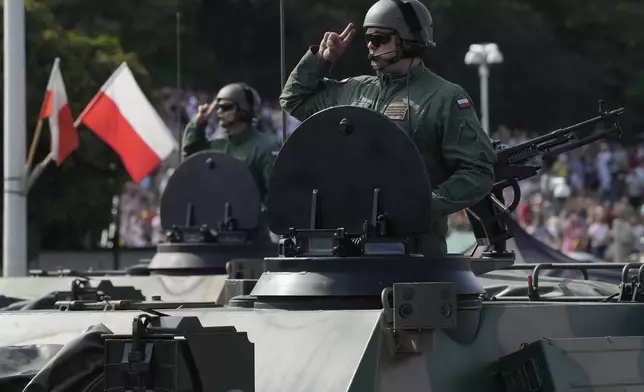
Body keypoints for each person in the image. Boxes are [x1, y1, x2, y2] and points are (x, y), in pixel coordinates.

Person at [279, 0, 497, 256]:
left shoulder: (445, 98)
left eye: (379, 38)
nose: (370, 44)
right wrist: (321, 60)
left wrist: (423, 203)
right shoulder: (353, 89)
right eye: (368, 38)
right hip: (342, 251)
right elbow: (292, 100)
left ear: (409, 40)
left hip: (414, 256)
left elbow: (478, 172)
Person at [182, 82, 279, 202]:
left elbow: (276, 195)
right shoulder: (216, 146)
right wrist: (196, 126)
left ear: (243, 110)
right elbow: (191, 161)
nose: (219, 112)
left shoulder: (265, 147)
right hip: (218, 217)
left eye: (225, 107)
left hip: (253, 218)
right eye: (218, 108)